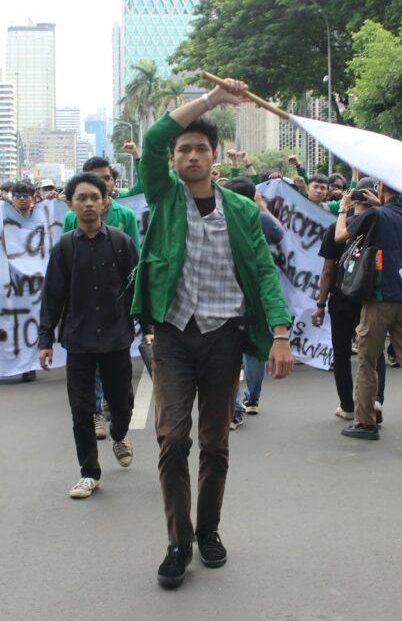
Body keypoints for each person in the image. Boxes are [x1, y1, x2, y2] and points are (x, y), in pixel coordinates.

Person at [130, 78, 293, 589]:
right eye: (184, 150)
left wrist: (280, 333)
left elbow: (263, 272)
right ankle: (178, 542)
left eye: (201, 148)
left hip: (225, 336)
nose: (192, 156)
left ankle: (208, 530)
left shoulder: (242, 211)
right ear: (174, 160)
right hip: (174, 336)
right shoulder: (164, 196)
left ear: (214, 157)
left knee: (215, 443)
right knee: (172, 438)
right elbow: (153, 138)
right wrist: (213, 100)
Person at [38, 172, 146, 498]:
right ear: (70, 204)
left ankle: (120, 434)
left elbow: (137, 288)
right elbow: (52, 296)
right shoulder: (64, 248)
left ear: (105, 202)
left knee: (122, 404)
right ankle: (89, 472)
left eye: (94, 198)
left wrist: (148, 328)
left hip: (116, 338)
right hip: (79, 340)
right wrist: (45, 340)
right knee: (81, 410)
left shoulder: (121, 242)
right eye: (81, 198)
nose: (88, 204)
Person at [333, 179, 402, 452]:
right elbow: (396, 222)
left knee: (368, 360)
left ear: (380, 188)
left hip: (379, 298)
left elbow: (340, 236)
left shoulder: (374, 215)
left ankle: (365, 422)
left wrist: (344, 208)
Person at [62, 156, 142, 435]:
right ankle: (95, 411)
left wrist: (137, 311)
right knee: (88, 366)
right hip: (83, 308)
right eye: (95, 178)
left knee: (117, 378)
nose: (102, 182)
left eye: (106, 178)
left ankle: (115, 412)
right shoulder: (70, 220)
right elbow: (65, 261)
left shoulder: (125, 216)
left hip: (114, 308)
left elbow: (134, 264)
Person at [312, 179, 387, 421]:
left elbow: (327, 271)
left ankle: (347, 405)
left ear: (353, 197)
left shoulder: (338, 227)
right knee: (375, 351)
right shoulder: (384, 225)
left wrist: (320, 304)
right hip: (372, 296)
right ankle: (376, 401)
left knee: (342, 351)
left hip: (342, 296)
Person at [223, 176, 285, 428]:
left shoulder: (222, 218)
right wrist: (261, 206)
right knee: (253, 348)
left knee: (230, 353)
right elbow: (279, 233)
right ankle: (252, 398)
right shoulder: (260, 218)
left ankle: (234, 408)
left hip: (230, 295)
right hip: (258, 293)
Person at [6, 181, 39, 383]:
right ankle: (16, 362)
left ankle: (29, 365)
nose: (21, 199)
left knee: (31, 322)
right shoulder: (2, 218)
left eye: (25, 195)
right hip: (12, 281)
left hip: (35, 282)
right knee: (14, 323)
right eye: (17, 195)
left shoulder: (42, 217)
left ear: (33, 197)